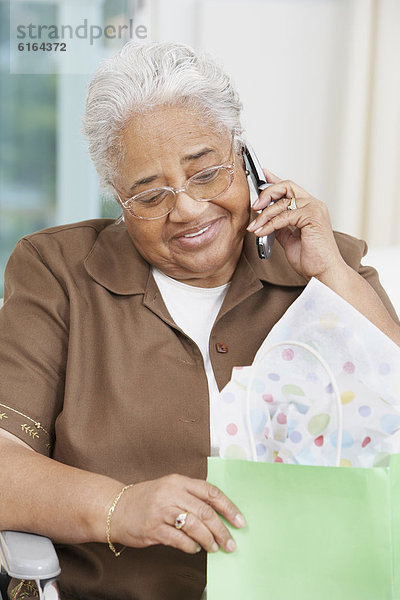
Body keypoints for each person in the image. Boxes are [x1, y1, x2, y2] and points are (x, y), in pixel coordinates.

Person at [0, 40, 399, 600]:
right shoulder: (57, 273)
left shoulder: (323, 260)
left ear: (246, 159)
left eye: (207, 173)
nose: (186, 208)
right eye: (150, 194)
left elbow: (393, 406)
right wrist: (120, 507)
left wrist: (330, 271)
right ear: (117, 198)